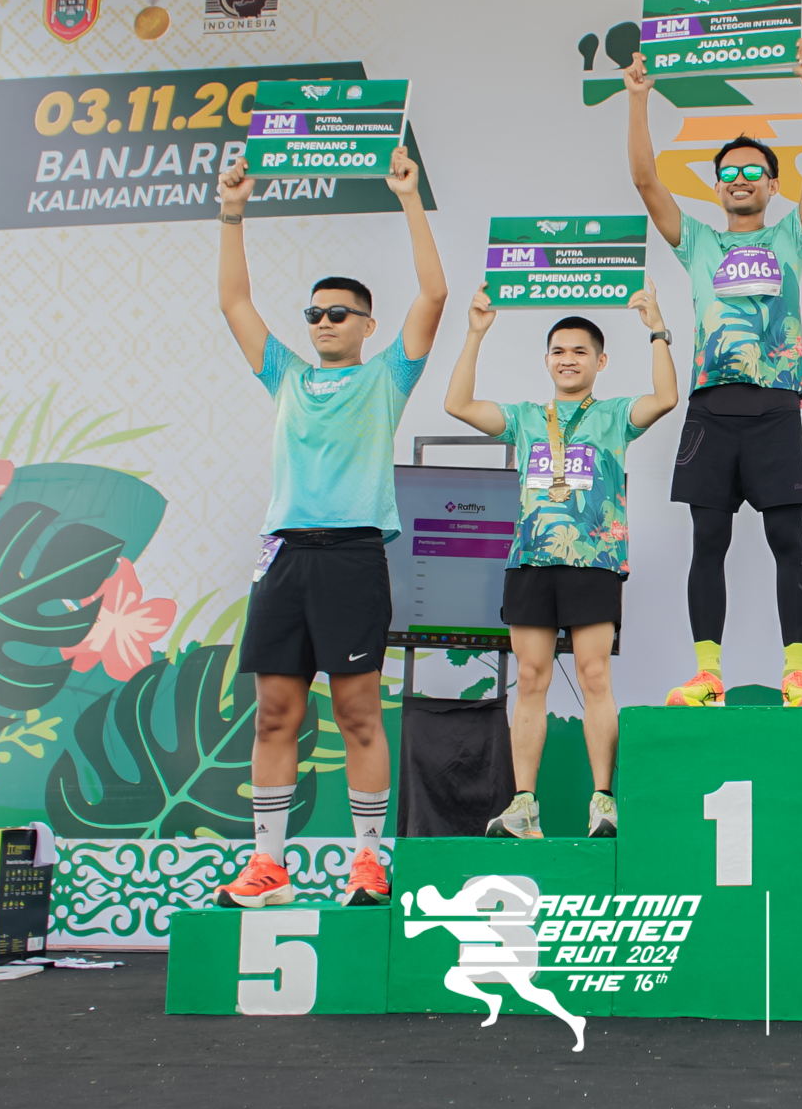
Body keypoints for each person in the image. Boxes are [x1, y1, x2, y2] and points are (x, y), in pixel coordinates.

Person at [210, 148, 448, 908]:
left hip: (352, 557)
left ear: (366, 324)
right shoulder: (285, 374)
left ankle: (368, 863)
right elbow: (234, 302)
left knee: (356, 714)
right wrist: (233, 211)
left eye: (337, 313)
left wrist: (408, 197)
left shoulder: (387, 376)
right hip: (284, 558)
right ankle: (268, 866)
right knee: (275, 714)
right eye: (313, 313)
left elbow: (434, 293)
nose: (322, 322)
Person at [624, 44, 802, 708]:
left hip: (774, 408)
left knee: (786, 539)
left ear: (772, 186)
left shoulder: (791, 238)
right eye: (728, 173)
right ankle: (707, 675)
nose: (739, 179)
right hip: (710, 411)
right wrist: (637, 98)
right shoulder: (698, 243)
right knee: (708, 541)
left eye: (753, 171)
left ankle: (796, 674)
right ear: (717, 187)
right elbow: (645, 181)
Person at [442, 281, 679, 839]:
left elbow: (666, 398)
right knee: (530, 677)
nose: (567, 359)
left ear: (600, 361)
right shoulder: (526, 418)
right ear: (546, 360)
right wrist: (475, 334)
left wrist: (657, 330)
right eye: (557, 351)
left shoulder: (615, 415)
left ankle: (603, 800)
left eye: (579, 351)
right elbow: (457, 405)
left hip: (594, 561)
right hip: (530, 561)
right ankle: (524, 804)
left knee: (595, 675)